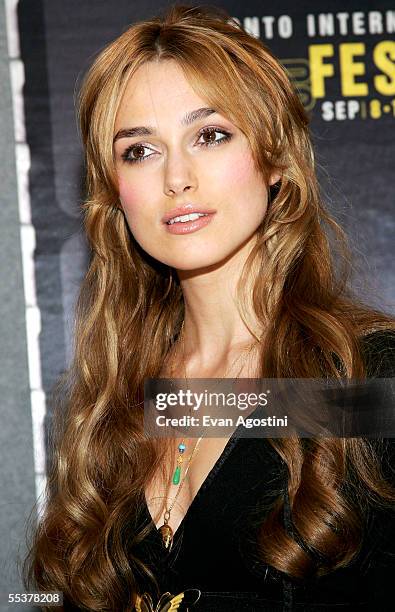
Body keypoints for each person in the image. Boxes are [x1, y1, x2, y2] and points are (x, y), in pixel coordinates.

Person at [24, 3, 395, 611]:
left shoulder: (360, 380)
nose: (177, 178)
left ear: (275, 158)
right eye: (139, 151)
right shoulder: (118, 398)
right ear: (114, 191)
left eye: (210, 135)